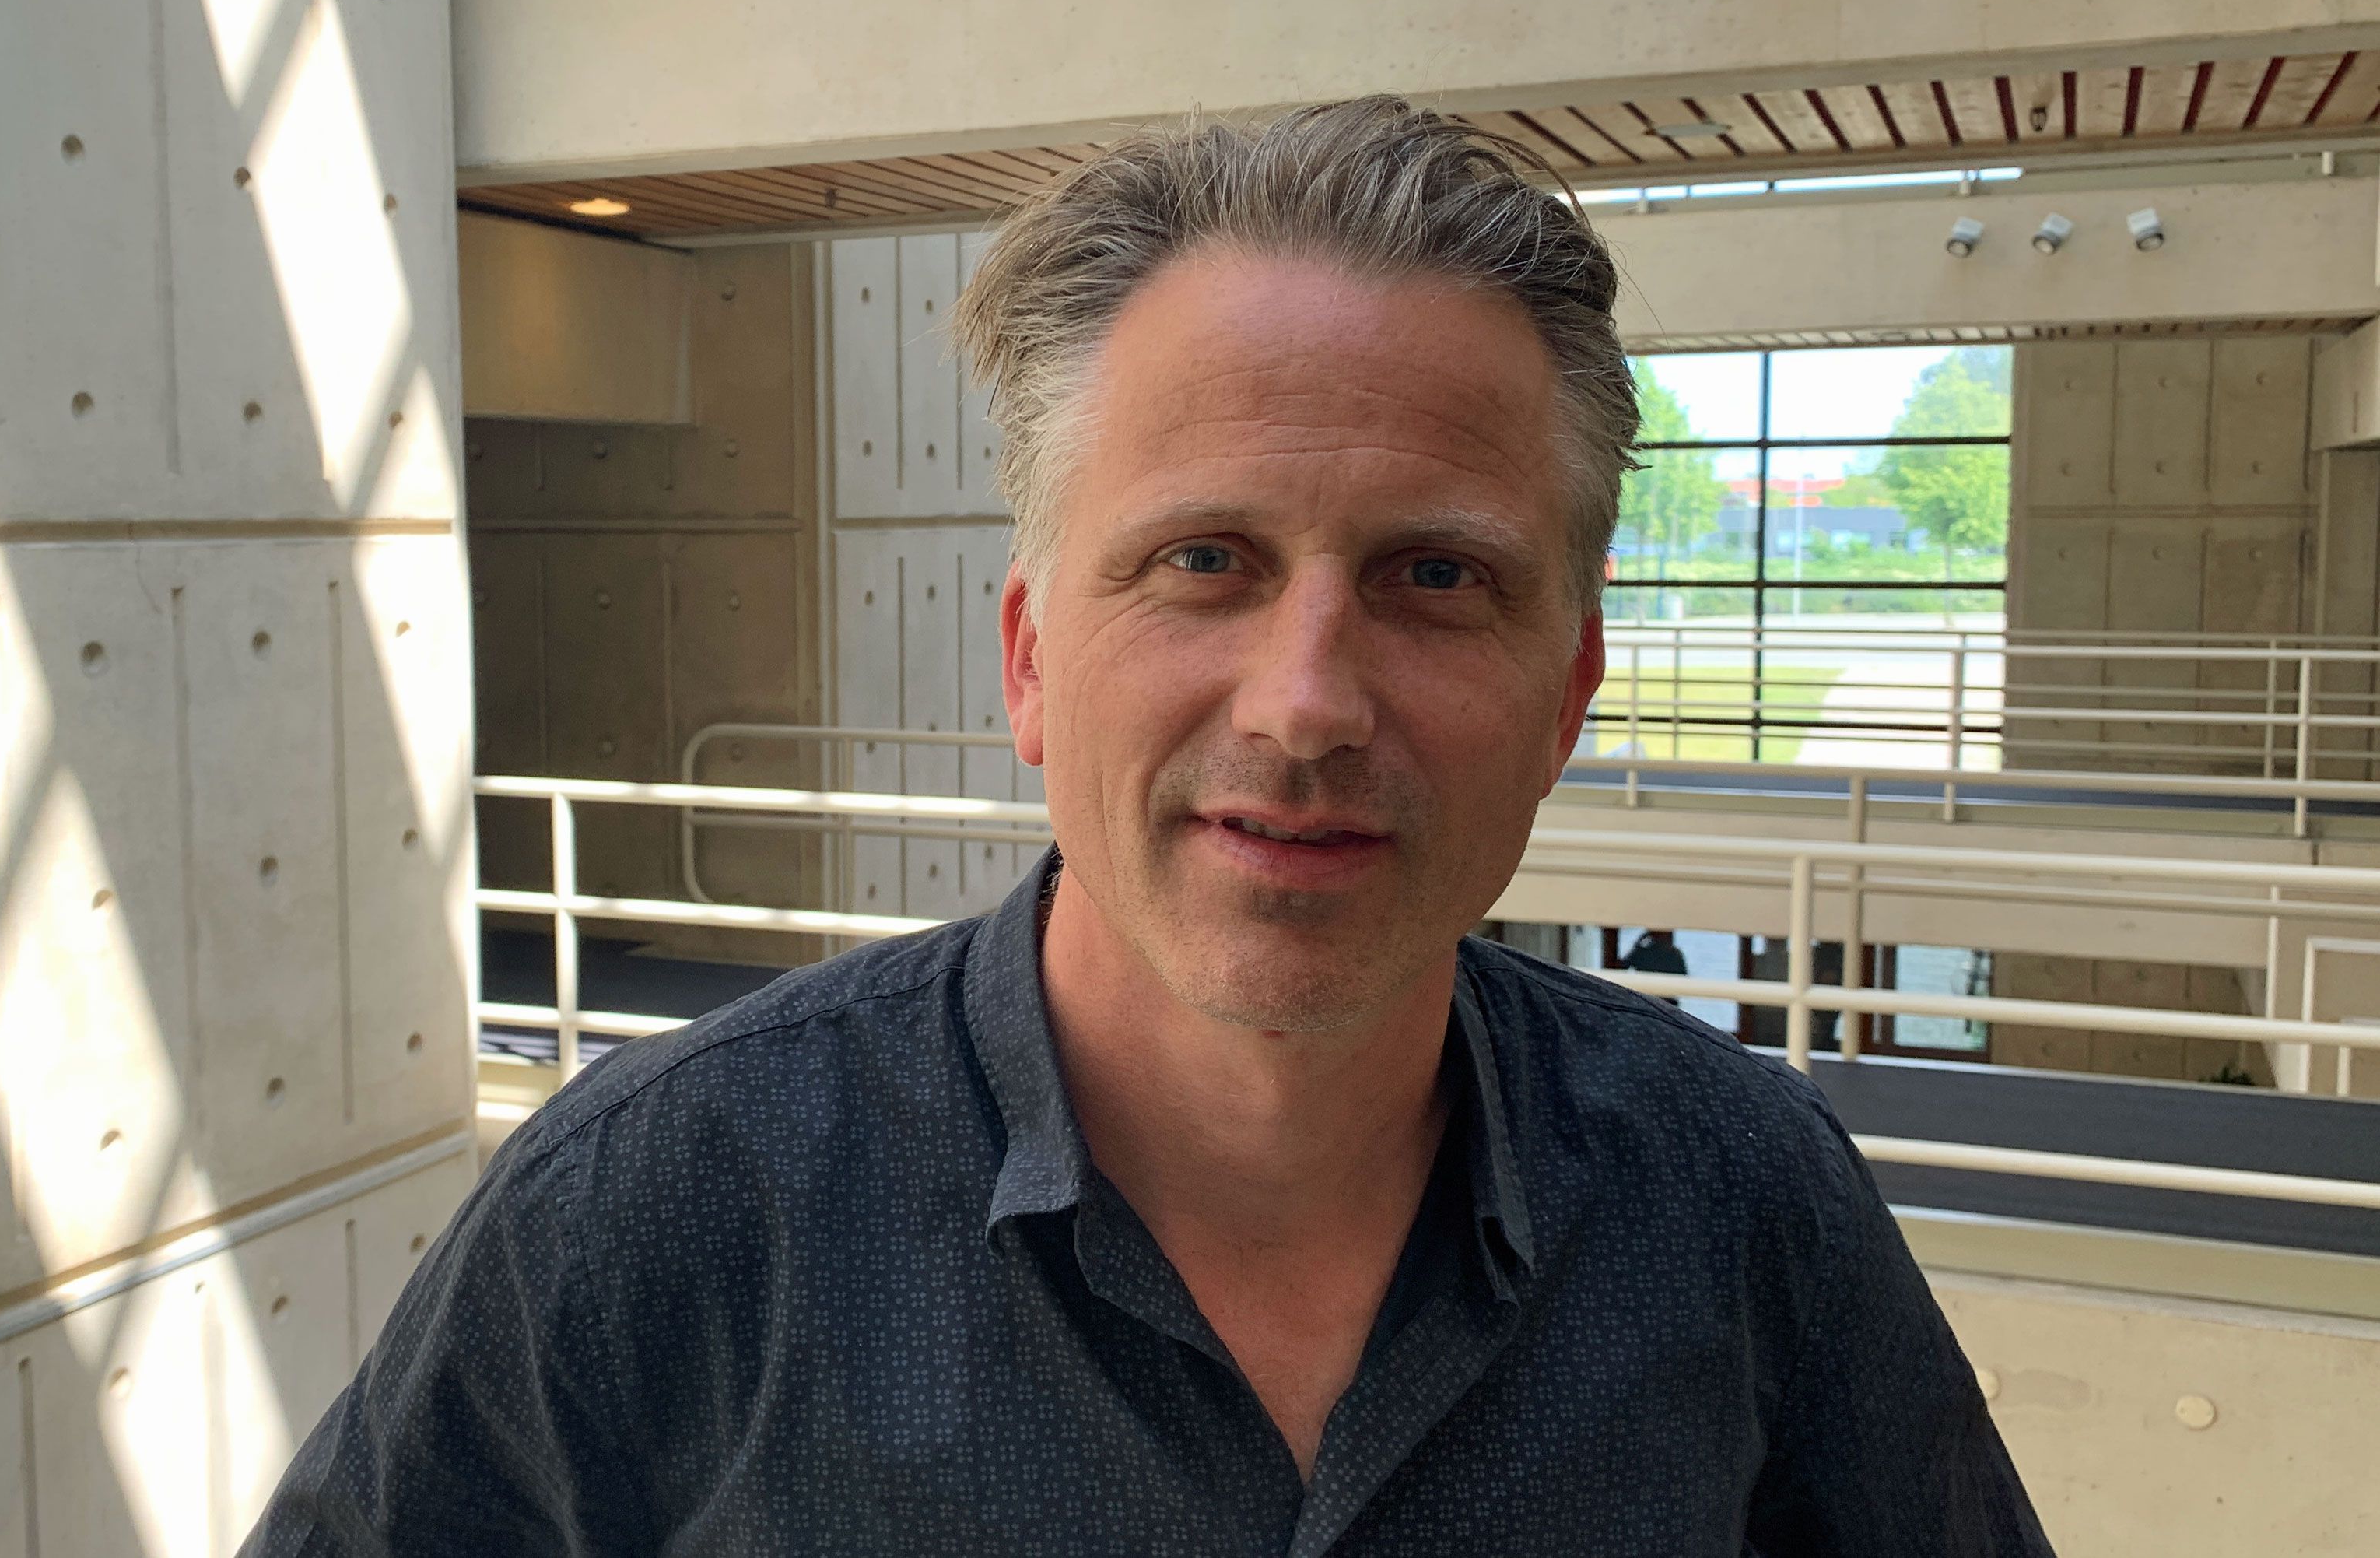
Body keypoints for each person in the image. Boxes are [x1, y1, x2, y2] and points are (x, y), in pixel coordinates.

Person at [241, 98, 2050, 1556]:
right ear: (1032, 658)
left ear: (1565, 691)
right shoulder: (654, 1209)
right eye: (1202, 559)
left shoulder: (1739, 1198)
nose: (1303, 702)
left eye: (1434, 575)